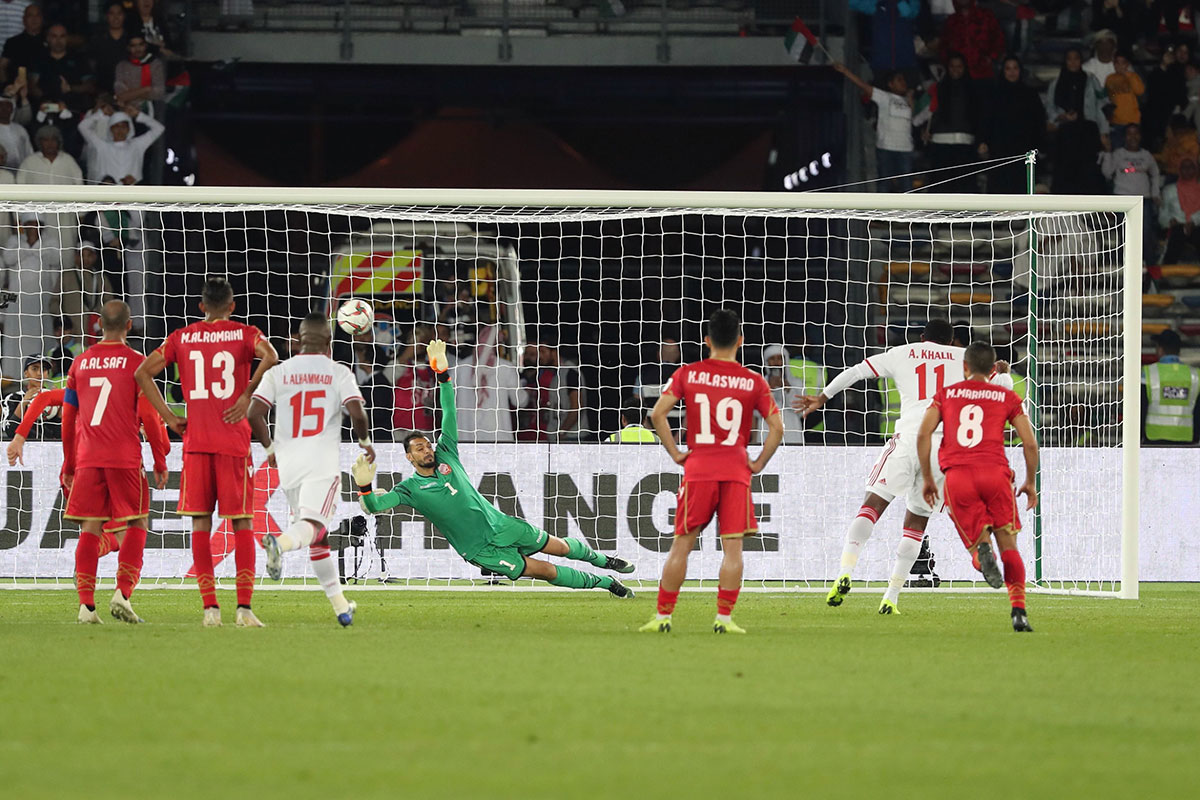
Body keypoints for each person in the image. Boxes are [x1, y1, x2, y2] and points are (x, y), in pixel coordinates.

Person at [353, 338, 636, 597]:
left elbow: (450, 411)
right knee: (546, 571)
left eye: (427, 445)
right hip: (480, 549)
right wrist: (364, 486)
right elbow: (376, 505)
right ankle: (607, 584)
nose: (427, 450)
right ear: (409, 458)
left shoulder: (447, 454)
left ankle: (604, 560)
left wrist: (443, 375)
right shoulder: (409, 489)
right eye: (419, 449)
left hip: (502, 525)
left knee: (560, 546)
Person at [796, 319, 1013, 614]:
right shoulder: (964, 361)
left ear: (922, 337)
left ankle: (845, 571)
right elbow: (996, 388)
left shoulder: (902, 352)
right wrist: (1002, 374)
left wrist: (822, 397)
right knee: (916, 524)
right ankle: (891, 597)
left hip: (909, 438)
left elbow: (855, 372)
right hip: (943, 449)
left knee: (872, 505)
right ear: (951, 342)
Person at [134, 276, 280, 627]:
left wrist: (170, 417)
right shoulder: (245, 333)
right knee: (242, 522)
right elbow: (272, 356)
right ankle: (244, 609)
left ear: (201, 307)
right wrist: (246, 394)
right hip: (232, 443)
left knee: (200, 522)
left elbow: (142, 373)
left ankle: (210, 610)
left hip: (196, 444)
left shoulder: (182, 337)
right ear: (232, 306)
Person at [640, 309, 784, 634]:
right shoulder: (753, 381)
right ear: (740, 341)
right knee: (733, 548)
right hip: (736, 471)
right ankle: (724, 619)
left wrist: (676, 452)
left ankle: (663, 617)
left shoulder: (688, 373)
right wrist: (759, 463)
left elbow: (658, 414)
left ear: (707, 341)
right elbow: (777, 427)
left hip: (699, 469)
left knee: (682, 545)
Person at [249, 313, 375, 626]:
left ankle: (341, 608)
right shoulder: (338, 372)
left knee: (317, 538)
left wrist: (269, 448)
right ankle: (279, 544)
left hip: (288, 461)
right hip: (321, 460)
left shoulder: (279, 372)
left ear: (298, 339)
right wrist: (364, 440)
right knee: (316, 527)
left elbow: (254, 413)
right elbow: (358, 413)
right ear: (329, 343)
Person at [917, 341, 1038, 633]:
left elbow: (923, 435)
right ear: (994, 368)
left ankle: (983, 554)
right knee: (1010, 543)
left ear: (965, 367)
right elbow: (1030, 442)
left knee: (977, 543)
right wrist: (1030, 482)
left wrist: (929, 479)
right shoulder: (1006, 396)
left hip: (958, 477)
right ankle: (1018, 610)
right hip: (995, 474)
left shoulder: (946, 395)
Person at [62, 300, 169, 624]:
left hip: (88, 458)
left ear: (98, 327)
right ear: (129, 325)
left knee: (90, 529)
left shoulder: (79, 363)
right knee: (136, 524)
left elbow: (69, 419)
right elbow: (150, 416)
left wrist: (69, 463)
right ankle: (123, 593)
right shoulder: (137, 363)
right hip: (124, 457)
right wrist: (159, 458)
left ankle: (86, 606)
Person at [833, 62, 930, 191]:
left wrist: (911, 101)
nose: (903, 83)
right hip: (886, 147)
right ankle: (881, 210)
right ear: (890, 84)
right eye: (899, 80)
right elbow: (863, 85)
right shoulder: (884, 97)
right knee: (884, 182)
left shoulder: (907, 100)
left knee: (906, 184)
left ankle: (906, 210)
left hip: (905, 148)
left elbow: (910, 122)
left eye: (903, 80)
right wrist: (845, 71)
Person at [1, 212, 60, 382]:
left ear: (41, 225)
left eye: (36, 224)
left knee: (42, 336)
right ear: (24, 225)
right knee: (15, 340)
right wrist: (30, 246)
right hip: (17, 303)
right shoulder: (14, 241)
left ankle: (40, 376)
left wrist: (33, 246)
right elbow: (8, 257)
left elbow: (55, 257)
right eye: (29, 224)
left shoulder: (50, 242)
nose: (32, 228)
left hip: (42, 301)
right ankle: (13, 377)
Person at [979, 56, 1045, 195]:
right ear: (1002, 71)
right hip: (999, 151)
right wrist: (984, 141)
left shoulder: (1030, 94)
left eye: (1015, 68)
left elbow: (1039, 122)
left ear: (1020, 70)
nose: (1012, 72)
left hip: (1024, 151)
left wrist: (1039, 146)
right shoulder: (994, 94)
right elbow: (986, 120)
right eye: (1008, 68)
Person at [1101, 123, 1161, 265]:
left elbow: (1155, 173)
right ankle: (1125, 266)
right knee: (1125, 235)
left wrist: (1155, 193)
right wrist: (1108, 152)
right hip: (1123, 200)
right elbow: (1107, 173)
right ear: (1124, 137)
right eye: (1129, 134)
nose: (1133, 137)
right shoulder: (1118, 154)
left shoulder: (1146, 155)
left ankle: (1149, 267)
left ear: (1140, 136)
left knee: (1145, 233)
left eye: (1136, 133)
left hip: (1143, 200)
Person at [925, 53, 981, 192]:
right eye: (952, 66)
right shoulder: (938, 88)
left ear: (964, 68)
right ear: (947, 68)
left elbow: (979, 117)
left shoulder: (974, 89)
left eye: (959, 67)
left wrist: (980, 140)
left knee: (964, 191)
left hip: (965, 145)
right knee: (942, 190)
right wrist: (925, 131)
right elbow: (928, 113)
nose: (955, 70)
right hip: (941, 145)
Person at [78, 101, 162, 184]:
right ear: (110, 129)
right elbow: (82, 127)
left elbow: (159, 128)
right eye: (116, 126)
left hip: (132, 193)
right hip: (108, 193)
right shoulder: (102, 146)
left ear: (129, 129)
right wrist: (100, 113)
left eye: (123, 126)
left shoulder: (137, 145)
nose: (120, 130)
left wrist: (138, 115)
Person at [1141, 329, 1200, 443]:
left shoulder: (1147, 373)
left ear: (1160, 349)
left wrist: (1140, 437)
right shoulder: (1195, 375)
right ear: (1179, 351)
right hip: (1186, 439)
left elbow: (1141, 407)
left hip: (1154, 438)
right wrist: (1196, 436)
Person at [939, 0, 1004, 80]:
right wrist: (950, 65)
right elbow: (944, 46)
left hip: (983, 74)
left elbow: (998, 39)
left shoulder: (986, 16)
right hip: (958, 77)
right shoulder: (951, 21)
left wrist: (991, 57)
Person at [0, 354, 56, 441]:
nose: (39, 373)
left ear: (47, 375)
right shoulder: (13, 398)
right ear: (26, 373)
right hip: (23, 450)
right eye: (34, 368)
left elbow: (59, 433)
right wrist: (24, 402)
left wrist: (61, 405)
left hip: (49, 450)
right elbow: (10, 431)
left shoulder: (53, 399)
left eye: (44, 369)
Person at [1159, 158, 1200, 263]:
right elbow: (1163, 214)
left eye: (1190, 167)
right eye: (1184, 168)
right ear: (1179, 170)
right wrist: (1170, 221)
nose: (1187, 170)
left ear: (1196, 170)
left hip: (1197, 226)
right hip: (1176, 227)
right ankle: (1168, 269)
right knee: (1178, 233)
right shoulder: (1169, 190)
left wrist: (1193, 222)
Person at [17, 125, 82, 184]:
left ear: (58, 141)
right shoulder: (29, 162)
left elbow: (79, 183)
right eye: (45, 140)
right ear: (39, 142)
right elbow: (19, 184)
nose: (50, 143)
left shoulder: (68, 160)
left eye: (53, 140)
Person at [1105, 52, 1144, 150]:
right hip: (1116, 122)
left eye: (1123, 63)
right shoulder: (1110, 78)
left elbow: (1139, 91)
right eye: (1117, 63)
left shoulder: (1133, 76)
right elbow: (1110, 95)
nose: (1120, 65)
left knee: (1132, 152)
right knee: (1117, 151)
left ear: (1127, 64)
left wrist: (1127, 75)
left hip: (1132, 122)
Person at [89, 3, 129, 94]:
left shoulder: (131, 39)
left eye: (119, 14)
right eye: (112, 14)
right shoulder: (97, 39)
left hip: (129, 90)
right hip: (102, 90)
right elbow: (91, 65)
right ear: (106, 16)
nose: (116, 17)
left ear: (124, 16)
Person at [0, 3, 42, 84]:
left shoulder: (51, 40)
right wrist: (6, 86)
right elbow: (1, 67)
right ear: (24, 19)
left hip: (45, 91)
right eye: (30, 15)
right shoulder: (12, 43)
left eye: (37, 15)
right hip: (16, 89)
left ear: (42, 18)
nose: (34, 19)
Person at [0, 94, 31, 168]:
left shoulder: (20, 129)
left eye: (8, 106)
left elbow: (29, 151)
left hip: (22, 170)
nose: (4, 109)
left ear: (12, 109)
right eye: (1, 106)